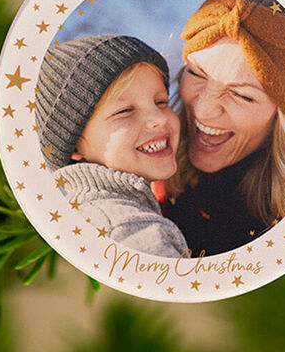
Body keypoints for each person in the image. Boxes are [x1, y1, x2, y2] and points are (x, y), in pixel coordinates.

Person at [165, 0, 285, 256]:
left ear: (279, 118)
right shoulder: (140, 175)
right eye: (196, 74)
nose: (204, 110)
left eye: (242, 95)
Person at [34, 34, 189, 258]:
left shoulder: (109, 213)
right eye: (125, 111)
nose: (158, 118)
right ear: (75, 146)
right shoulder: (128, 229)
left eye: (161, 102)